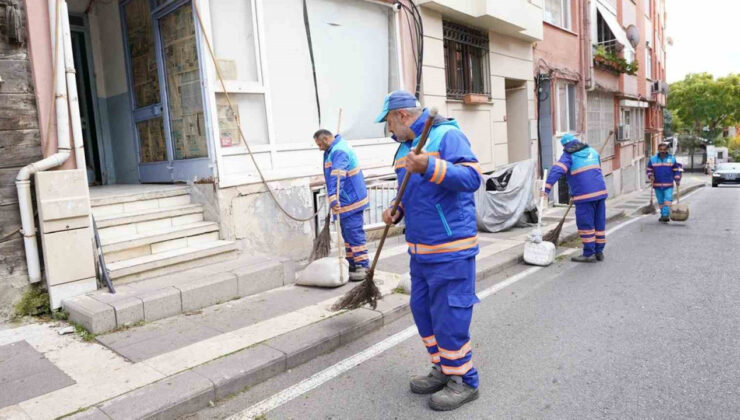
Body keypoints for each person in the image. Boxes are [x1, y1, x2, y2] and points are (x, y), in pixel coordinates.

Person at [377, 90, 483, 411]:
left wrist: (430, 167)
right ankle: (443, 369)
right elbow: (409, 192)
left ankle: (464, 379)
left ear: (403, 116)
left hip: (451, 247)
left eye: (389, 123)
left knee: (449, 314)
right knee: (423, 311)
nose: (389, 131)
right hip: (420, 251)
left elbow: (473, 177)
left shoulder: (447, 135)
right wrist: (398, 211)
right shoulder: (404, 149)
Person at [542, 133, 608, 263]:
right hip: (600, 192)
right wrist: (574, 192)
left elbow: (557, 170)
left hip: (584, 196)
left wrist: (546, 188)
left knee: (586, 224)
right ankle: (599, 251)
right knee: (599, 223)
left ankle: (589, 253)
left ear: (566, 146)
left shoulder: (569, 156)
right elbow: (593, 171)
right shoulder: (592, 152)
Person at [314, 129, 369, 281]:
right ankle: (352, 263)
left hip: (350, 199)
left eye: (319, 144)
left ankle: (363, 266)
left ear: (325, 139)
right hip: (346, 198)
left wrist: (333, 197)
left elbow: (337, 176)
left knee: (354, 233)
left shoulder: (339, 151)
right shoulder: (333, 149)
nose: (319, 148)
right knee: (347, 234)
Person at [647, 142, 682, 223]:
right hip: (657, 184)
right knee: (660, 201)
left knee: (668, 199)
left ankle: (665, 215)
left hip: (668, 184)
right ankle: (663, 215)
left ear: (667, 150)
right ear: (658, 150)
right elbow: (649, 169)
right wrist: (650, 176)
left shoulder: (672, 159)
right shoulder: (653, 159)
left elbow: (676, 170)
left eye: (664, 149)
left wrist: (677, 179)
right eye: (661, 149)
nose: (662, 151)